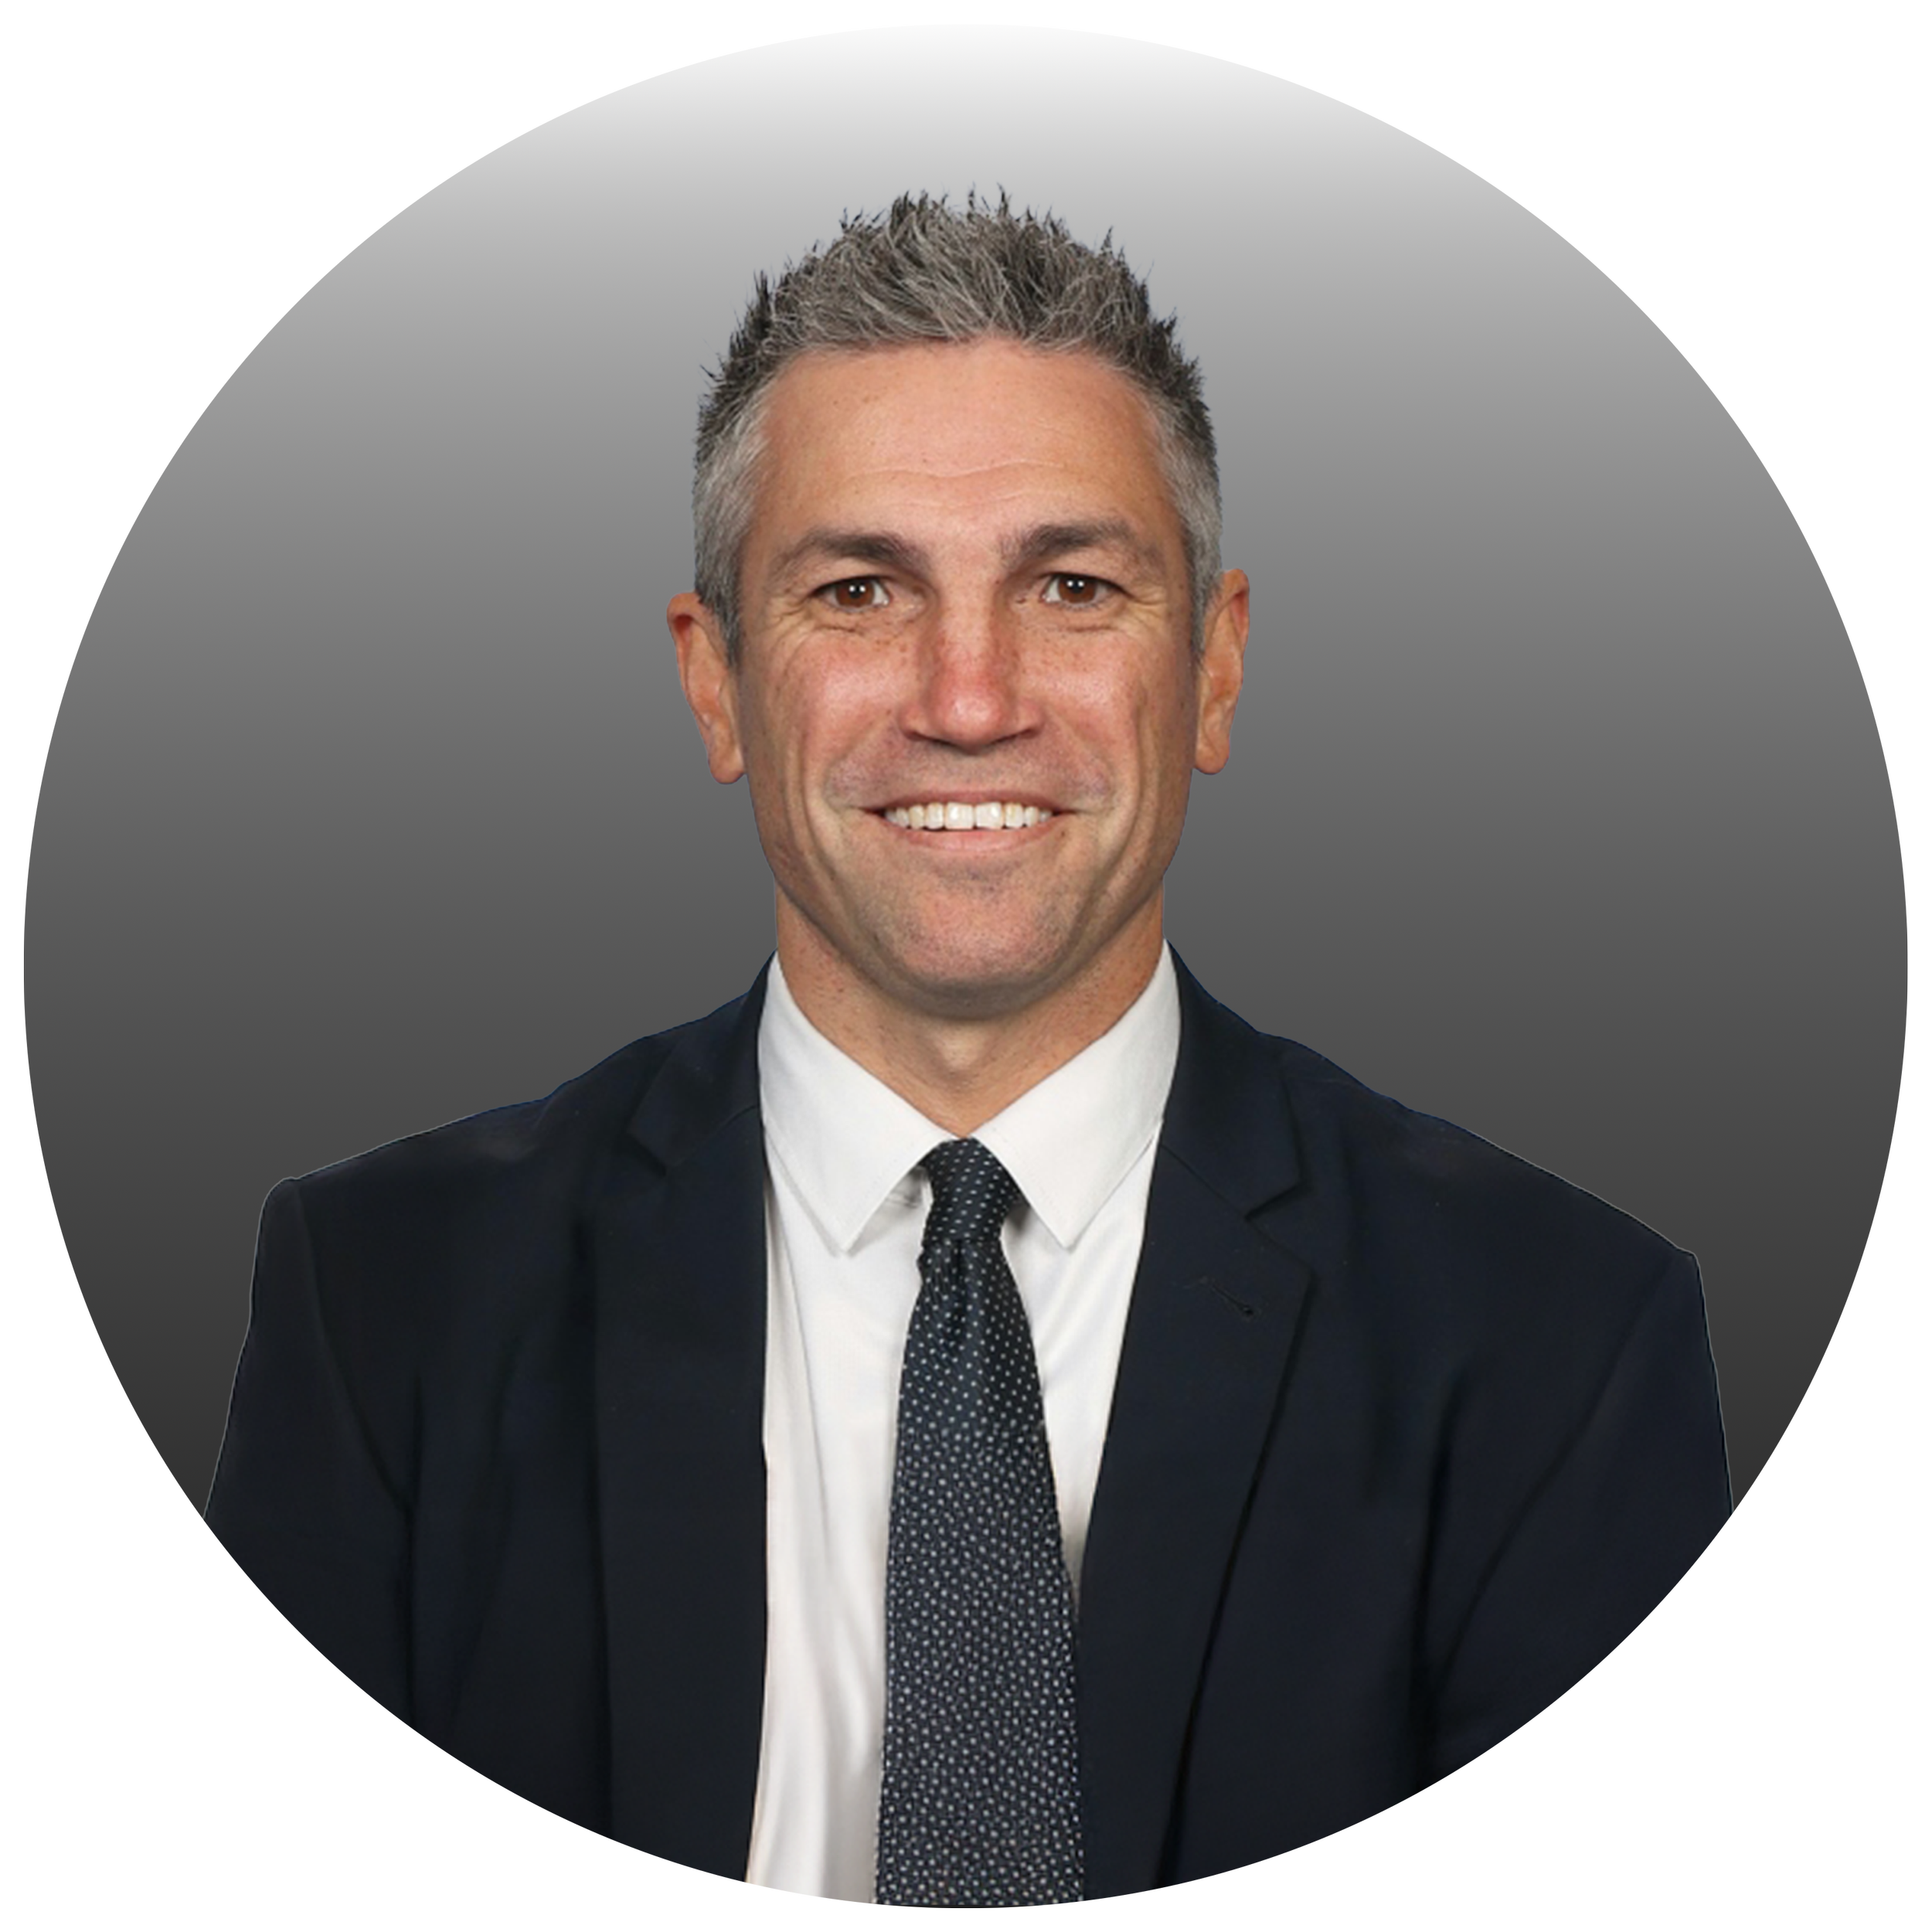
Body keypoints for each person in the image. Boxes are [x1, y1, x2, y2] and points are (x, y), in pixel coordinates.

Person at [205, 191, 1731, 1913]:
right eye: (857, 589)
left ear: (1213, 667)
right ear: (713, 683)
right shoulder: (385, 1301)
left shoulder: (1555, 1336)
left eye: (1070, 585)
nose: (967, 691)